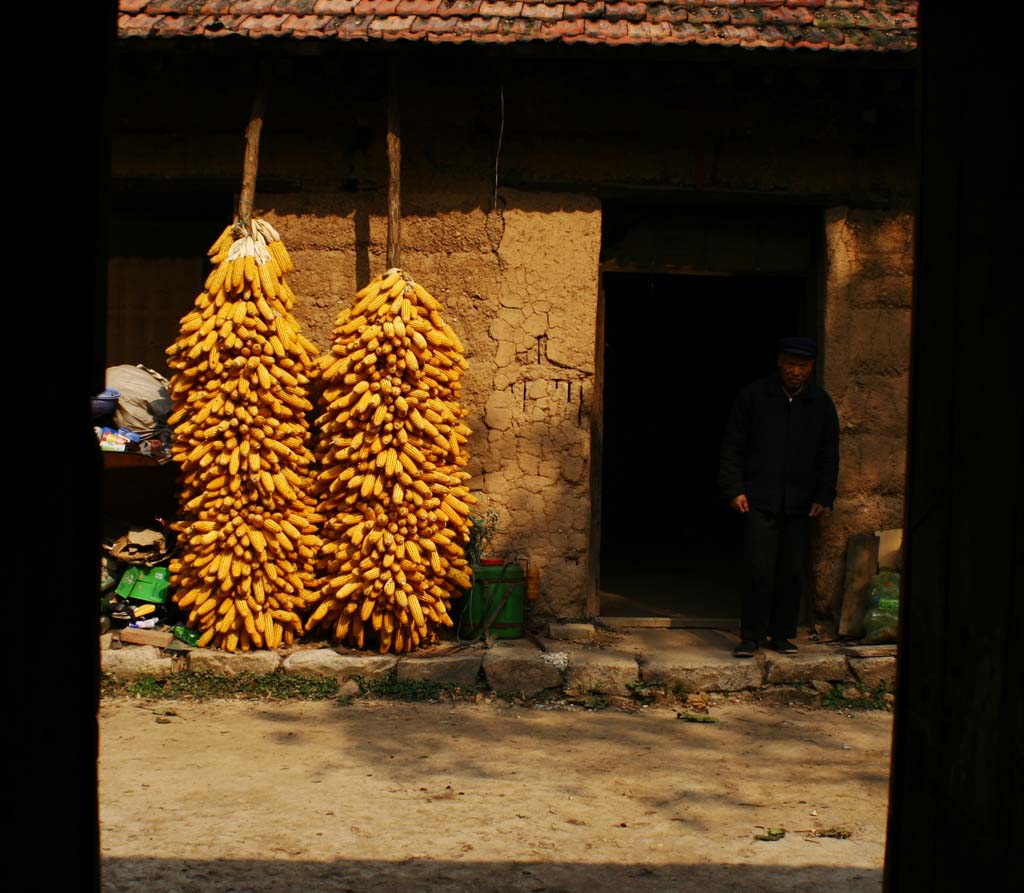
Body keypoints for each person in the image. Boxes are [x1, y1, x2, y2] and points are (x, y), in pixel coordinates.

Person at [718, 336, 840, 657]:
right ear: (779, 363)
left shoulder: (821, 405)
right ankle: (751, 635)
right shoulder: (754, 397)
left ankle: (782, 633)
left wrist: (824, 495)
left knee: (791, 570)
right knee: (758, 568)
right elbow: (732, 446)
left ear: (811, 367)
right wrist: (735, 489)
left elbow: (830, 455)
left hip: (800, 504)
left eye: (803, 365)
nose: (796, 371)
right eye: (790, 364)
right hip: (759, 499)